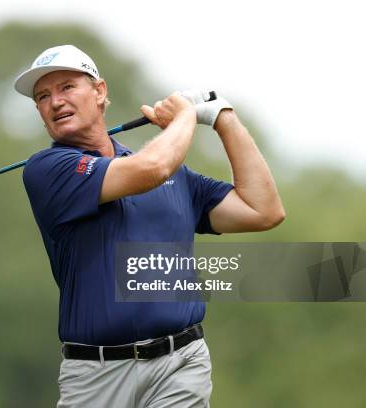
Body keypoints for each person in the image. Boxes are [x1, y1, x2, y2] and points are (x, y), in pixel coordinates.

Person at [14, 45, 285, 408]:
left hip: (180, 364)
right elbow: (152, 169)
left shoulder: (178, 179)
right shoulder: (47, 170)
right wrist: (185, 118)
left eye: (67, 87)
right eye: (43, 96)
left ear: (100, 92)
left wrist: (223, 117)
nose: (55, 101)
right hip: (96, 375)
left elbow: (262, 210)